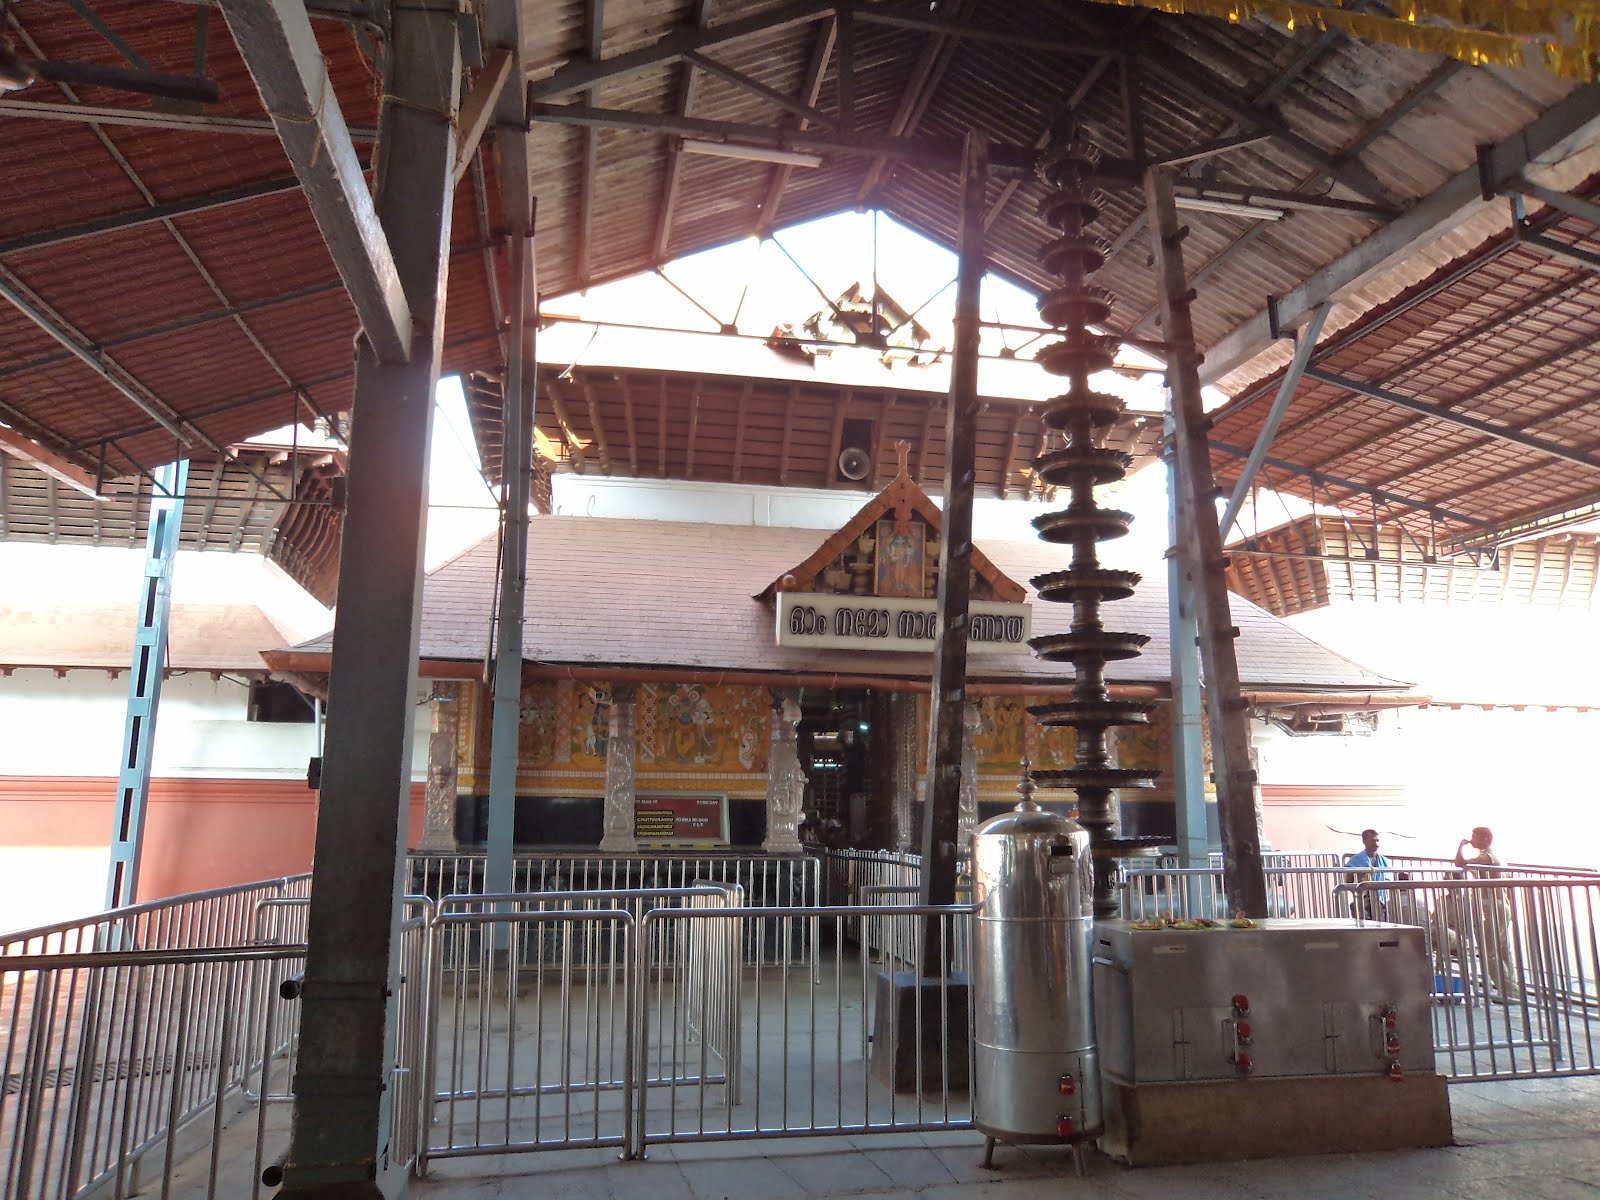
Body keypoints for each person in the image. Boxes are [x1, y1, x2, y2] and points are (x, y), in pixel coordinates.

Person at [1454, 826, 1515, 997]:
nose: (1472, 839)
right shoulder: (1491, 856)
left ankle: (1508, 991)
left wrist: (1460, 846)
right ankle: (1512, 990)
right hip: (1500, 905)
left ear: (1486, 839)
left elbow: (1460, 863)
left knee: (1489, 952)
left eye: (1475, 837)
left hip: (1493, 907)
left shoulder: (1485, 857)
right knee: (1502, 949)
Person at [1342, 829, 1391, 921]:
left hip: (1381, 899)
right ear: (1364, 841)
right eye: (1373, 840)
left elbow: (1389, 881)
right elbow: (1348, 880)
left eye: (1377, 841)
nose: (1376, 843)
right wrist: (1360, 877)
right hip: (1363, 898)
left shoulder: (1384, 860)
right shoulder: (1356, 860)